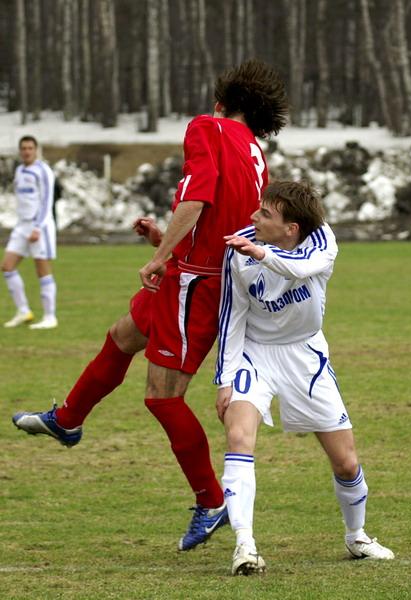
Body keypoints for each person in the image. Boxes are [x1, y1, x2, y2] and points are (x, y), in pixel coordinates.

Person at [12, 59, 289, 551]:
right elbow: (223, 223)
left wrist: (160, 258)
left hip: (197, 285)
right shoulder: (254, 152)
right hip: (202, 273)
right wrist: (167, 244)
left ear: (221, 103)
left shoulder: (207, 127)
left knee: (163, 397)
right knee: (123, 335)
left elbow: (197, 200)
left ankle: (212, 500)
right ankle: (68, 419)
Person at [216, 181, 395, 575]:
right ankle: (244, 545)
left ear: (292, 228)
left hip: (305, 355)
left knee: (346, 462)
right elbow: (232, 314)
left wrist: (261, 253)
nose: (253, 217)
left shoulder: (321, 240)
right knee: (238, 437)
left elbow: (301, 268)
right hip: (255, 353)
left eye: (265, 214)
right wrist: (225, 378)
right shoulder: (240, 248)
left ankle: (357, 536)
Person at [3, 135, 58, 330]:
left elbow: (46, 201)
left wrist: (37, 227)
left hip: (39, 226)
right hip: (22, 226)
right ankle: (23, 311)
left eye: (30, 148)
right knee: (7, 267)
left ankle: (50, 317)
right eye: (23, 148)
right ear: (20, 151)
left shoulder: (43, 171)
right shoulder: (19, 170)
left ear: (36, 150)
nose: (26, 151)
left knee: (42, 270)